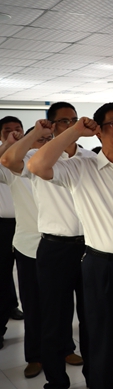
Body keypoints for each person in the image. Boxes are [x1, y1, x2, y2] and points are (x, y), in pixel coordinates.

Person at [27, 103, 113, 389]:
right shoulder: (81, 168)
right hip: (102, 267)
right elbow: (37, 166)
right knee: (102, 341)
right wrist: (75, 131)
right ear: (99, 132)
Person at [1, 103, 94, 388]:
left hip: (86, 246)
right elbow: (8, 160)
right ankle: (50, 373)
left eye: (74, 120)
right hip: (47, 246)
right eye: (63, 121)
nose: (71, 125)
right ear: (51, 126)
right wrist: (31, 135)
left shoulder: (85, 158)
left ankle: (90, 370)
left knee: (87, 316)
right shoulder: (34, 159)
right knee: (48, 314)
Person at [0, 122, 62, 379]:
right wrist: (9, 143)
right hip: (29, 247)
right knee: (33, 305)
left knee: (60, 305)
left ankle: (65, 349)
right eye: (39, 139)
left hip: (59, 246)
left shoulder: (59, 166)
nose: (45, 143)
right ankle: (35, 356)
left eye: (49, 139)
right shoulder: (17, 167)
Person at [0, 117, 22, 350]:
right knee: (2, 274)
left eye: (18, 129)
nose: (14, 133)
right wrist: (6, 145)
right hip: (3, 225)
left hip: (26, 223)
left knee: (25, 274)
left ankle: (13, 305)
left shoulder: (29, 155)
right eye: (7, 130)